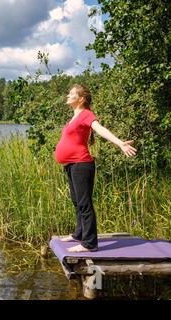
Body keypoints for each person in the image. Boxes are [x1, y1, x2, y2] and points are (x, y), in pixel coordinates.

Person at [54, 84, 137, 253]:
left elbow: (100, 129)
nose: (67, 96)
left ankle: (89, 243)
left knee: (84, 204)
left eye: (71, 94)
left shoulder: (86, 114)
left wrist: (120, 143)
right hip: (71, 165)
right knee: (77, 202)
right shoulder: (74, 117)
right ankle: (79, 234)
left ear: (81, 99)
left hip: (81, 164)